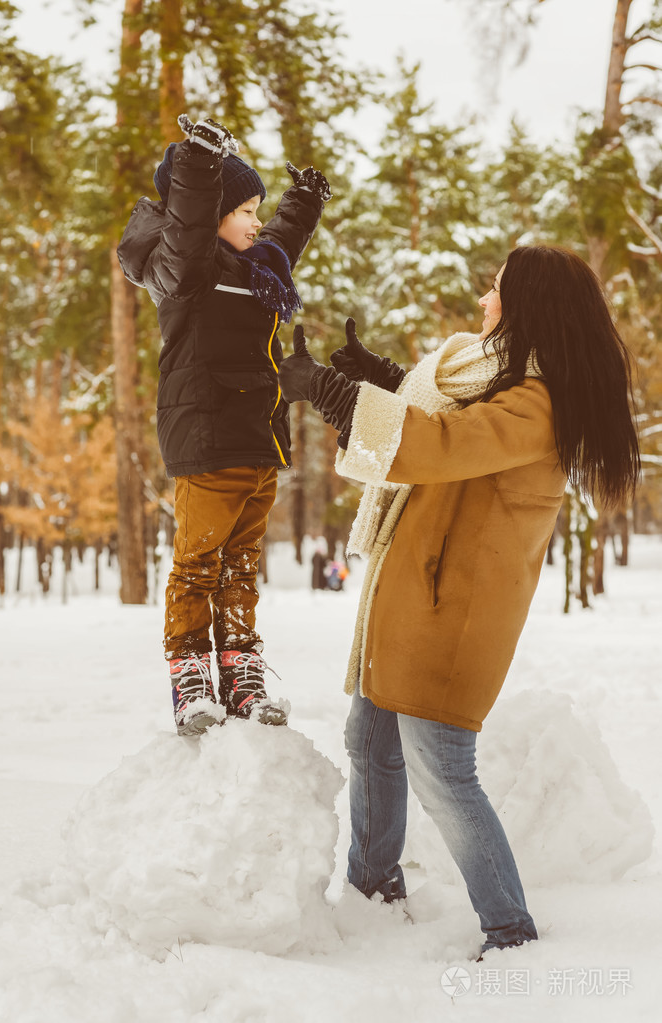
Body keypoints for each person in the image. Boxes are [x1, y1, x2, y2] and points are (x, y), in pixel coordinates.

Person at [279, 245, 640, 956]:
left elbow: (443, 442)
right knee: (369, 740)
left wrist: (332, 392)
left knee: (442, 770)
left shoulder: (539, 403)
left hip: (453, 612)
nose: (483, 301)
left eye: (495, 291)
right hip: (415, 594)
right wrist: (380, 375)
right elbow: (446, 414)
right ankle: (372, 888)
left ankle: (509, 931)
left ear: (528, 307)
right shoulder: (508, 383)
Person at [117, 114, 331, 735]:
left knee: (240, 562)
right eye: (245, 210)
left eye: (259, 209)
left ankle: (239, 666)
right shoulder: (186, 270)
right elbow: (186, 227)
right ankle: (190, 674)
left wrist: (305, 201)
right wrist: (198, 162)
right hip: (208, 439)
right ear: (211, 211)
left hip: (259, 439)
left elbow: (282, 241)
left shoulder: (256, 268)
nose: (257, 221)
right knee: (197, 563)